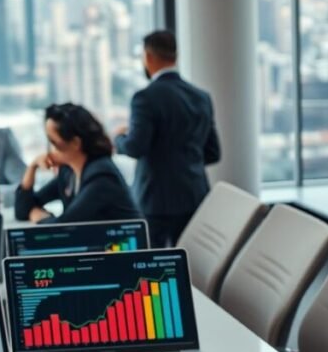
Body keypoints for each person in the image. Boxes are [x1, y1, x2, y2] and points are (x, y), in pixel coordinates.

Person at [114, 30, 221, 247]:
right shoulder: (201, 97)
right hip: (194, 195)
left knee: (153, 264)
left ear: (148, 57)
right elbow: (213, 152)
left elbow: (135, 147)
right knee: (191, 261)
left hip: (156, 199)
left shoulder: (145, 98)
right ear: (175, 56)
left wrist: (119, 139)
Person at [16, 103, 142, 224]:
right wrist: (32, 167)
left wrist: (41, 218)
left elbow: (65, 228)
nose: (49, 151)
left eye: (53, 143)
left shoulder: (101, 177)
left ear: (75, 143)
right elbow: (23, 211)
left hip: (123, 245)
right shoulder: (68, 171)